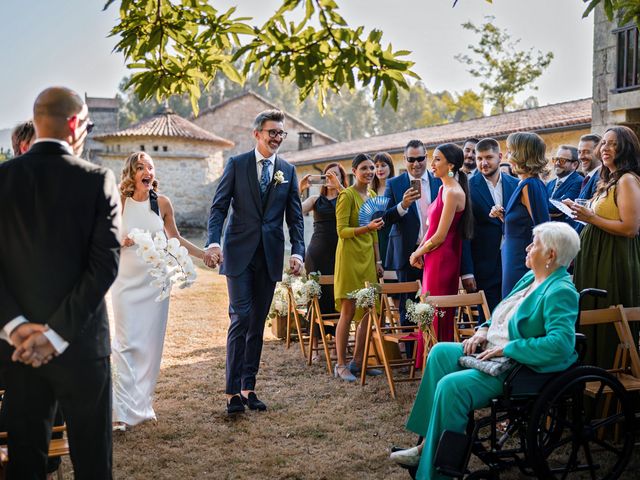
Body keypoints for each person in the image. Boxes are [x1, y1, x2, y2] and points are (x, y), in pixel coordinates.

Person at [390, 222, 581, 480]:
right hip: (493, 347)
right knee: (439, 353)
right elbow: (502, 314)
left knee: (451, 386)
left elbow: (561, 345)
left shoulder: (560, 291)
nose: (526, 247)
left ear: (551, 255)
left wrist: (509, 348)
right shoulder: (530, 279)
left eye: (534, 244)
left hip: (519, 367)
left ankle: (437, 469)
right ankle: (426, 446)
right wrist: (482, 330)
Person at [0, 87, 120, 479]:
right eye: (86, 123)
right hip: (82, 345)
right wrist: (56, 334)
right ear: (74, 124)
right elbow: (104, 266)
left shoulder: (3, 179)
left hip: (17, 353)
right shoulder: (97, 179)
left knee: (25, 461)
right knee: (92, 461)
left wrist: (17, 328)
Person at [205, 109, 305, 414]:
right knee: (241, 317)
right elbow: (219, 207)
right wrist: (213, 241)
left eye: (280, 133)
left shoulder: (287, 170)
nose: (276, 138)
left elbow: (295, 217)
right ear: (257, 134)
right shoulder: (236, 165)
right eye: (271, 132)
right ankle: (232, 392)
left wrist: (298, 251)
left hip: (270, 256)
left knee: (257, 323)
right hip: (238, 254)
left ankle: (249, 387)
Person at [111, 152, 204, 429]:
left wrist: (204, 255)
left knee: (150, 347)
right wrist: (121, 241)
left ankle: (141, 405)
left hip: (156, 286)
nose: (147, 171)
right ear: (131, 173)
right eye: (140, 167)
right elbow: (102, 238)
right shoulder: (119, 203)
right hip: (125, 283)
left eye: (150, 166)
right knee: (125, 345)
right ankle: (120, 409)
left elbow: (175, 238)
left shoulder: (162, 203)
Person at [567, 126, 640, 368]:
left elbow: (630, 228)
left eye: (613, 144)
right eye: (604, 143)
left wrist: (591, 218)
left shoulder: (628, 180)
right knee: (589, 314)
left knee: (607, 316)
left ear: (625, 148)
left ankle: (608, 380)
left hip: (613, 259)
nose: (605, 148)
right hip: (595, 258)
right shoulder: (608, 180)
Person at [409, 144, 473, 342]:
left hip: (444, 258)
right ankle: (427, 358)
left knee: (437, 310)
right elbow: (429, 229)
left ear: (451, 165)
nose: (433, 164)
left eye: (437, 159)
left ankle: (436, 355)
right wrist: (421, 250)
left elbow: (440, 235)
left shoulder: (453, 192)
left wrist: (416, 254)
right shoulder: (443, 189)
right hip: (433, 256)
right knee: (428, 307)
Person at [333, 153, 385, 382]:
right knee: (349, 310)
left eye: (372, 168)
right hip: (349, 259)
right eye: (364, 168)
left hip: (368, 259)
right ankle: (341, 364)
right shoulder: (347, 195)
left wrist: (378, 260)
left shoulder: (373, 195)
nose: (369, 172)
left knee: (368, 311)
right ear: (354, 171)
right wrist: (366, 228)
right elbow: (341, 231)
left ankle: (358, 360)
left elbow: (374, 232)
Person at [382, 140, 441, 336]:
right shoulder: (394, 184)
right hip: (406, 253)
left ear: (427, 157)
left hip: (435, 251)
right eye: (411, 160)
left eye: (420, 159)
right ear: (405, 160)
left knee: (434, 303)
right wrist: (403, 205)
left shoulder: (439, 180)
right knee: (408, 308)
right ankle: (410, 359)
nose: (416, 164)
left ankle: (430, 349)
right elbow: (384, 218)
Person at [460, 138, 519, 315]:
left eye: (488, 157)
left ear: (500, 157)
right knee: (488, 319)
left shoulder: (515, 184)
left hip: (514, 262)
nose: (483, 163)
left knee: (513, 316)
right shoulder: (468, 187)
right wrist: (467, 272)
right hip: (484, 266)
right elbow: (464, 231)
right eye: (479, 159)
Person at [298, 163, 347, 361]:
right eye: (329, 175)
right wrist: (299, 190)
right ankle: (316, 346)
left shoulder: (346, 197)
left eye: (337, 175)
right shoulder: (315, 199)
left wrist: (341, 187)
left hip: (340, 253)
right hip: (317, 253)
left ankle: (337, 347)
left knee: (338, 297)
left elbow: (357, 206)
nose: (332, 178)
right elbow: (295, 212)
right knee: (315, 297)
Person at [498, 132, 550, 297]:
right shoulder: (524, 183)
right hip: (511, 255)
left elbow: (543, 227)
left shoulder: (531, 185)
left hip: (521, 258)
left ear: (522, 155)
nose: (507, 156)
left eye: (510, 151)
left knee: (515, 304)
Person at [546, 145, 583, 227]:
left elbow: (555, 208)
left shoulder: (579, 182)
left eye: (562, 160)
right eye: (555, 159)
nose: (557, 163)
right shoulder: (550, 184)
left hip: (565, 233)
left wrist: (543, 206)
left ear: (574, 164)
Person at [371, 152, 396, 268]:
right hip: (375, 239)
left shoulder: (397, 187)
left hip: (394, 237)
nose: (379, 169)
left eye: (383, 165)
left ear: (390, 167)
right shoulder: (370, 191)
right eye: (376, 166)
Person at [576, 133, 603, 201]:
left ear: (599, 152)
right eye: (579, 152)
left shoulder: (601, 177)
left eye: (586, 152)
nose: (581, 157)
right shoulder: (589, 178)